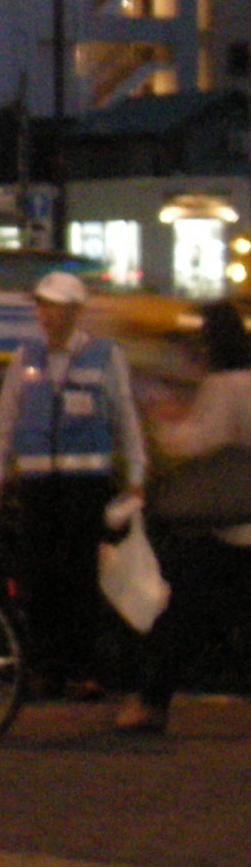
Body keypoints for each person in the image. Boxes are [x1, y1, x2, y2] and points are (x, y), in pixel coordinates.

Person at [0, 271, 144, 700]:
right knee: (39, 577)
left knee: (79, 576)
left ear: (75, 311)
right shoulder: (26, 356)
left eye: (54, 306)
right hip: (38, 483)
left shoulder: (105, 356)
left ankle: (82, 668)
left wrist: (137, 475)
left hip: (86, 482)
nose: (45, 314)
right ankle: (45, 668)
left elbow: (124, 414)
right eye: (41, 305)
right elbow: (8, 416)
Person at [120, 302, 251, 735]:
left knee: (187, 613)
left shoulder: (224, 385)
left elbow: (195, 444)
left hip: (233, 524)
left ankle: (151, 701)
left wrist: (165, 417)